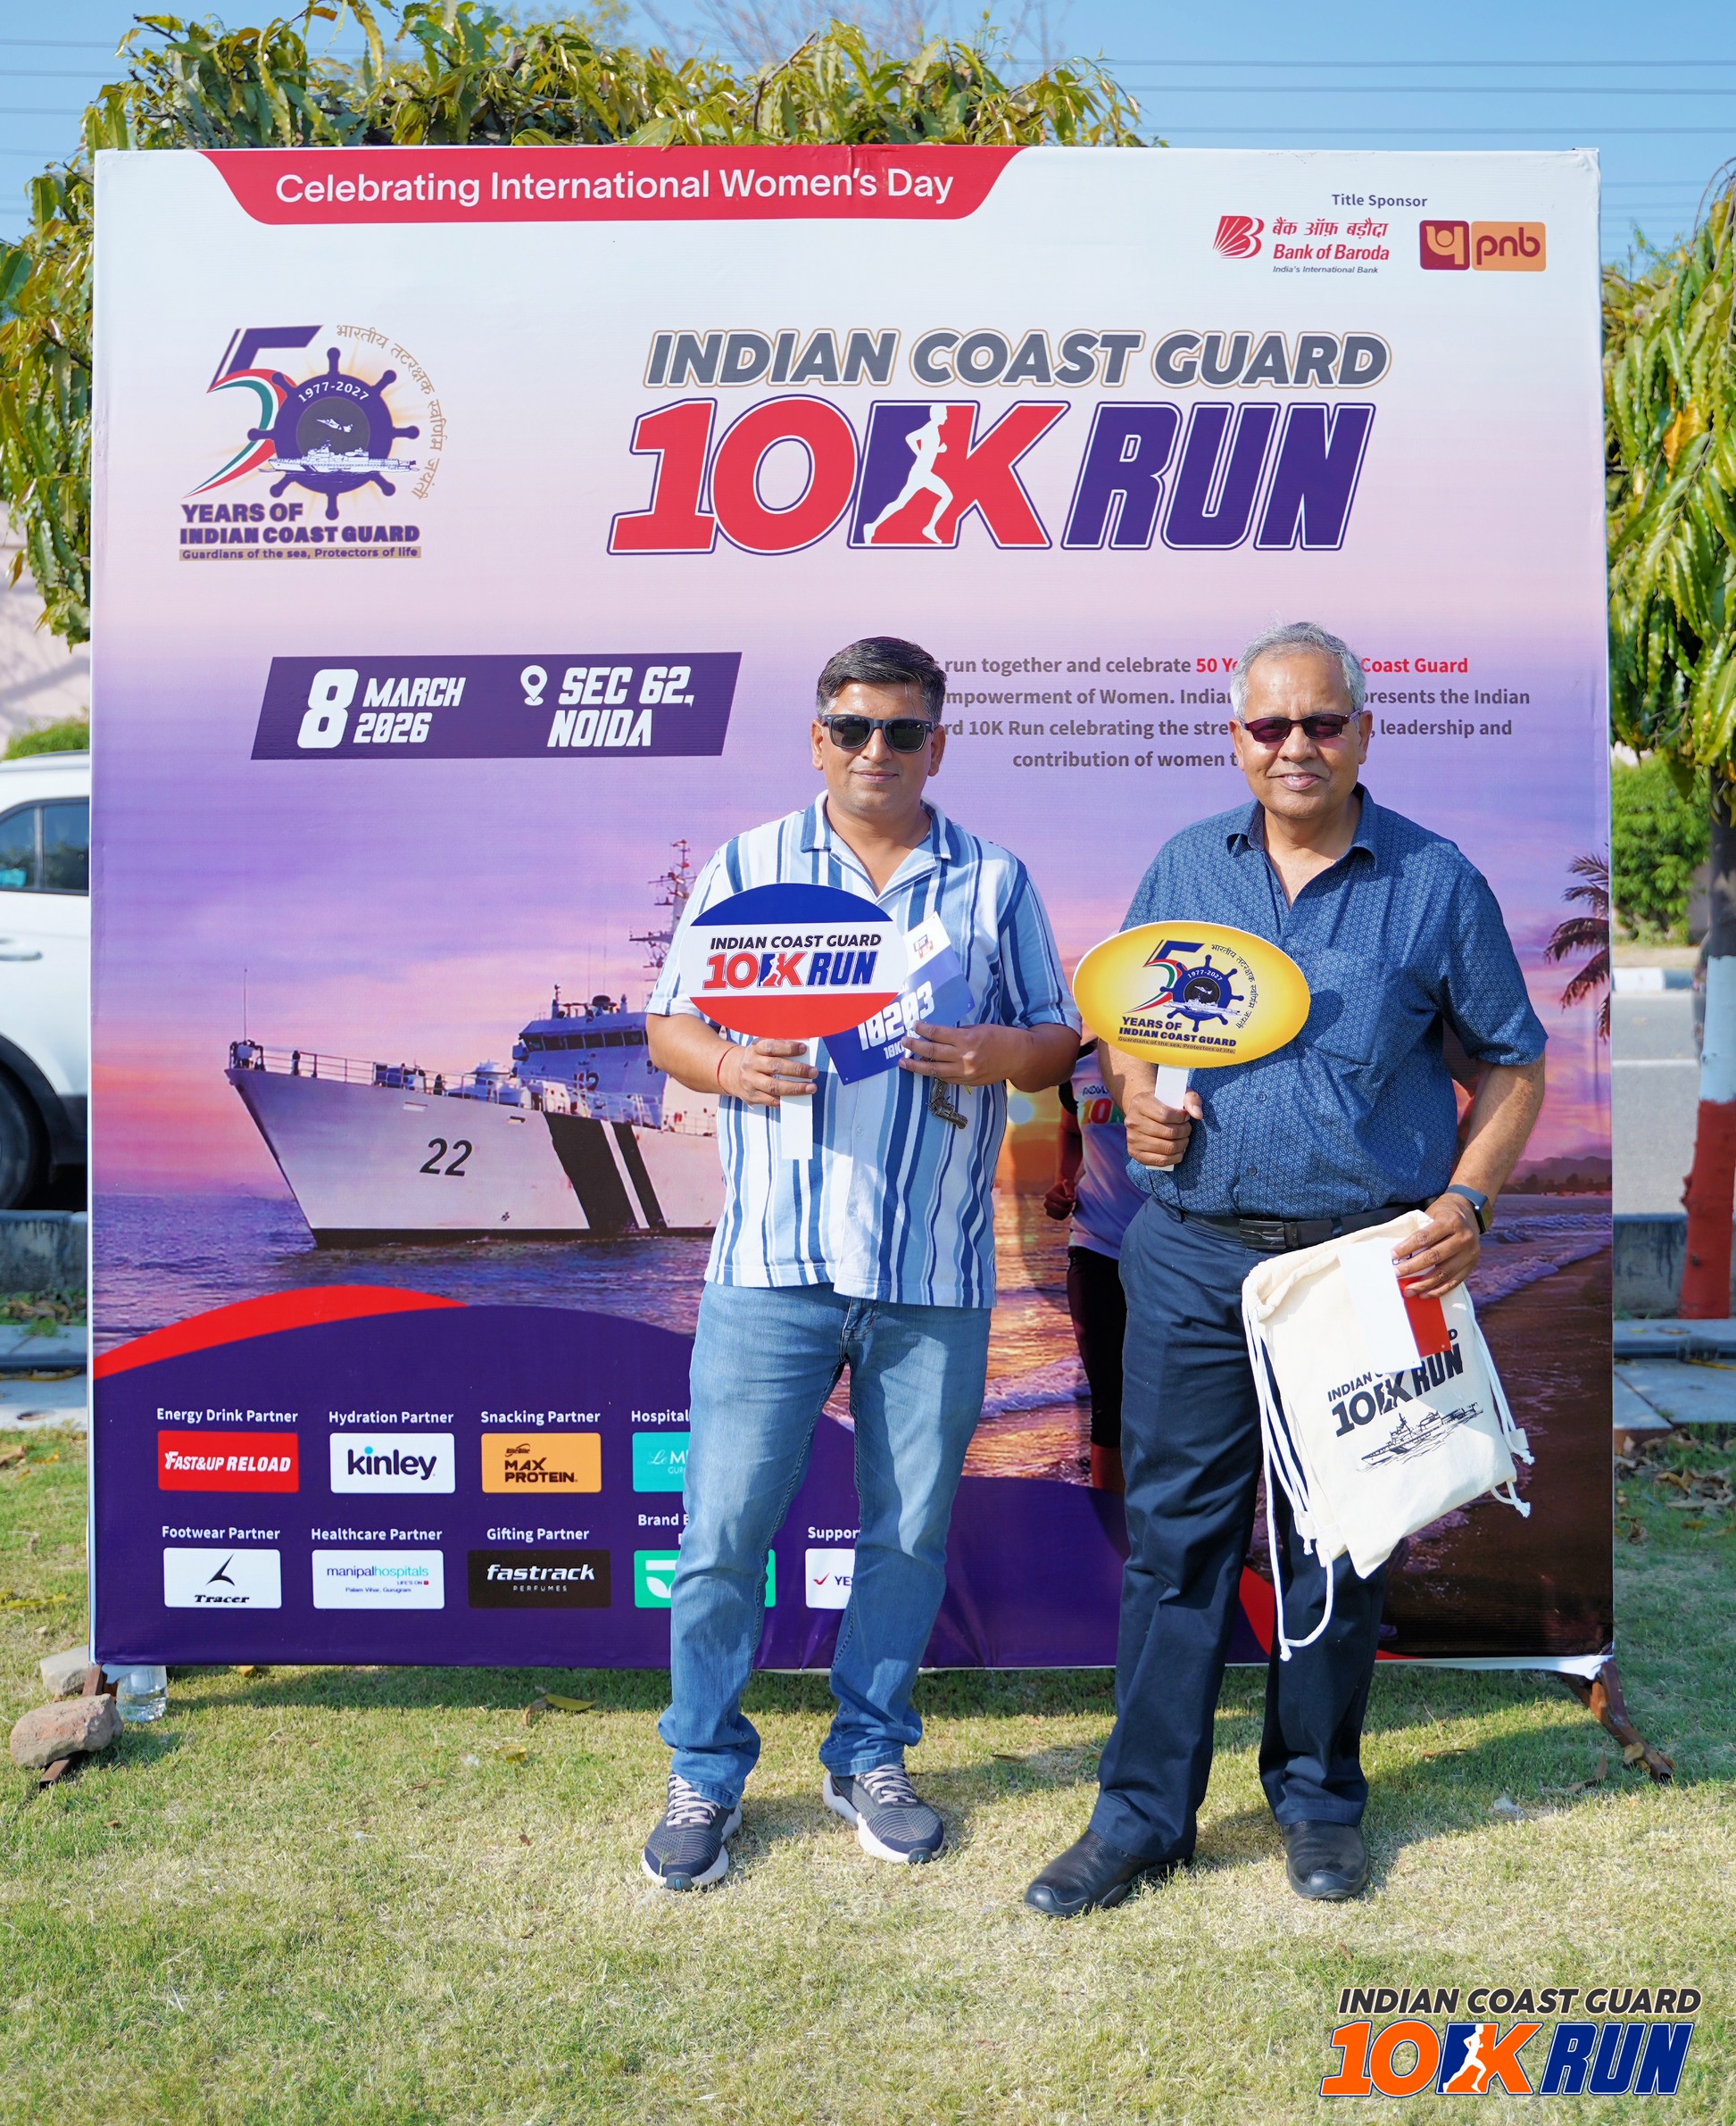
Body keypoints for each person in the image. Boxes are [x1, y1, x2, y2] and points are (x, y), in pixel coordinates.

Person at [1024, 619, 1547, 1918]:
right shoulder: (1183, 864)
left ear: (1364, 731)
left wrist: (1468, 1198)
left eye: (1320, 722)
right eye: (1270, 726)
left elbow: (1512, 1061)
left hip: (1355, 1270)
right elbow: (1130, 1026)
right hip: (1192, 1261)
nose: (1294, 746)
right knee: (1175, 1547)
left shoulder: (1433, 881)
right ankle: (1142, 1817)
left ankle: (1316, 1800)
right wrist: (1139, 1099)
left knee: (1337, 1544)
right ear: (1237, 738)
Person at [641, 634, 1080, 1890]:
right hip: (771, 1265)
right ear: (816, 738)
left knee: (906, 1536)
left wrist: (994, 1052)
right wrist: (728, 1064)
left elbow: (1059, 1039)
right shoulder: (747, 867)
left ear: (938, 744)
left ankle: (870, 1752)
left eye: (901, 730)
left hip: (931, 1272)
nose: (874, 749)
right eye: (851, 727)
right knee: (721, 1534)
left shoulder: (991, 881)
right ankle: (703, 1768)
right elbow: (669, 1025)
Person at [1042, 1047, 1138, 1493]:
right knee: (1109, 1401)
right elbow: (1070, 1129)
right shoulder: (1079, 1065)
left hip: (1166, 1254)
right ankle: (1111, 1525)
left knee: (1169, 1402)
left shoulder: (1181, 1057)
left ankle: (1160, 1521)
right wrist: (1064, 1183)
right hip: (1094, 1245)